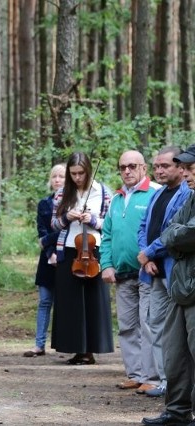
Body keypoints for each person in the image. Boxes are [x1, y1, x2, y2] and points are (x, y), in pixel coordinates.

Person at [142, 145, 195, 426]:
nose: (185, 173)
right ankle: (177, 411)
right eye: (184, 168)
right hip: (180, 284)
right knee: (174, 352)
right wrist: (176, 235)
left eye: (190, 168)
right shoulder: (189, 200)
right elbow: (171, 229)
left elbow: (187, 234)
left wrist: (176, 235)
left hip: (193, 285)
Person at [100, 151, 160, 393]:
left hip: (147, 272)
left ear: (143, 168)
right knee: (127, 326)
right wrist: (106, 264)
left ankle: (152, 377)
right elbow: (106, 236)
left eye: (132, 166)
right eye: (122, 167)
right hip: (122, 274)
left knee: (148, 324)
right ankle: (134, 374)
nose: (127, 171)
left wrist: (152, 257)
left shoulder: (154, 194)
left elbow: (159, 231)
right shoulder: (116, 198)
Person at [50, 152, 114, 365]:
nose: (77, 178)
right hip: (69, 251)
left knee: (93, 301)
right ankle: (76, 348)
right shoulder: (62, 193)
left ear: (88, 171)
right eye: (73, 174)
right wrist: (67, 217)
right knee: (71, 302)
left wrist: (93, 220)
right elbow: (54, 224)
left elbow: (110, 225)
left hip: (94, 251)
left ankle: (91, 350)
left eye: (81, 173)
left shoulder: (104, 193)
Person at [23, 164, 65, 357]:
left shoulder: (73, 203)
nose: (57, 180)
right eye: (54, 176)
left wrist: (47, 241)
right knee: (45, 301)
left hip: (69, 256)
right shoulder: (44, 204)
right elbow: (42, 231)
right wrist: (50, 253)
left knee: (65, 303)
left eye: (62, 176)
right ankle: (39, 344)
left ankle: (67, 344)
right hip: (48, 258)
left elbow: (64, 231)